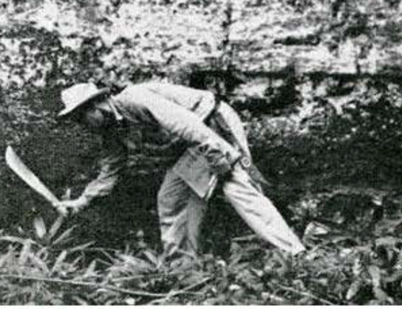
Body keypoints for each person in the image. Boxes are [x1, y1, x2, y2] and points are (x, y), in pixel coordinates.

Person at [56, 80, 305, 257]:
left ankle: (295, 253)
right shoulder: (110, 132)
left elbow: (181, 121)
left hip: (213, 124)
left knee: (236, 187)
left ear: (96, 104)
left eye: (81, 117)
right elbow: (110, 171)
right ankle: (184, 271)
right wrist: (80, 202)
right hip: (191, 148)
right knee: (171, 199)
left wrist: (216, 151)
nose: (81, 124)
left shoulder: (134, 98)